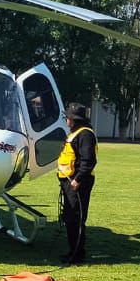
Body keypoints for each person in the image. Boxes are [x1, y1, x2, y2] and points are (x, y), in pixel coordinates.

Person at [56, 102, 97, 265]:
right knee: (69, 217)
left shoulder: (85, 135)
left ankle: (78, 255)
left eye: (68, 117)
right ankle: (72, 252)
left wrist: (77, 180)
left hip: (78, 182)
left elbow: (89, 161)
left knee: (76, 218)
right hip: (69, 181)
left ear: (74, 119)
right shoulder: (75, 133)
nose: (66, 120)